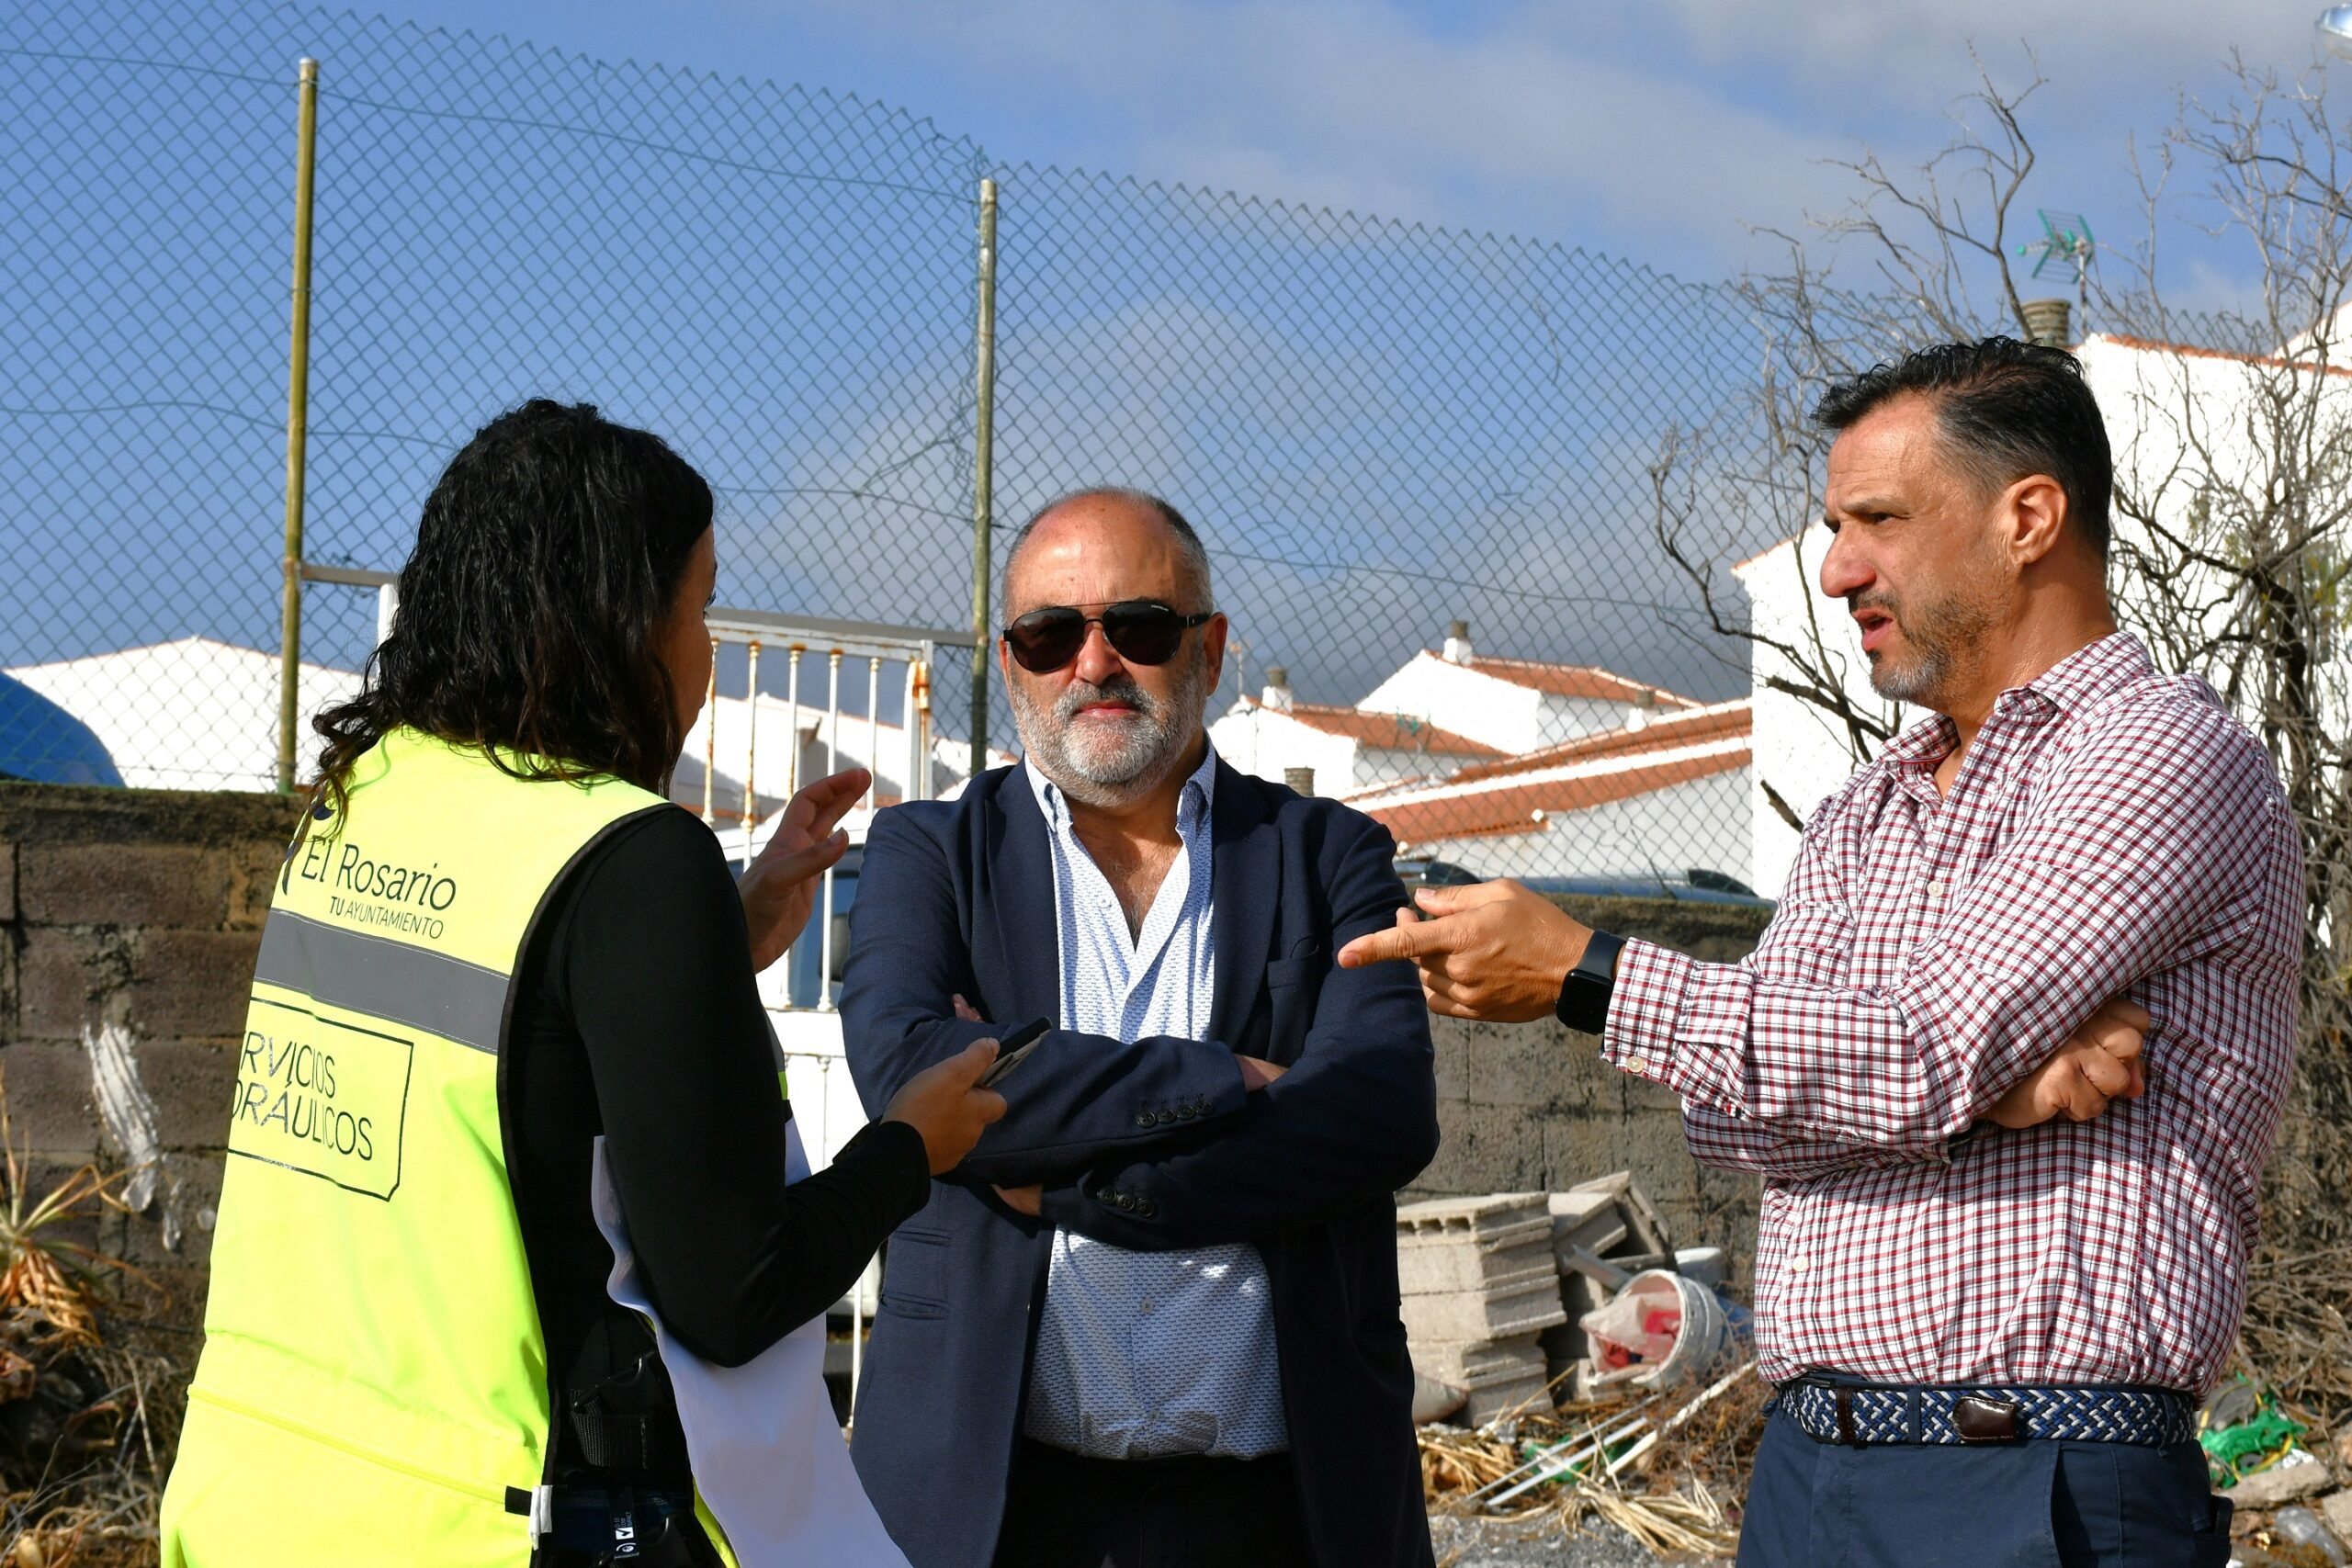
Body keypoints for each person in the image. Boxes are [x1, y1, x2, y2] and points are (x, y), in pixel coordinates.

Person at [1338, 340, 2301, 1567]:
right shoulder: (1866, 810)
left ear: (2028, 519)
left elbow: (1917, 1047)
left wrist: (1590, 972)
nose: (1839, 568)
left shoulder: (2158, 756)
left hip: (2034, 1478)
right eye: (1836, 527)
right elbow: (1732, 1121)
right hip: (1807, 1476)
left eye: (1879, 520)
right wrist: (1989, 1087)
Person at [161, 400, 1005, 1568]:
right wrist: (910, 1146)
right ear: (622, 623)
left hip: (259, 1495)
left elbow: (509, 1049)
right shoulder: (635, 859)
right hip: (482, 1525)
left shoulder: (367, 793)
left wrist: (719, 941)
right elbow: (734, 1292)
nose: (705, 651)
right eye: (700, 609)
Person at [840, 489, 1441, 1568]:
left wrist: (1077, 1184)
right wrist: (1224, 1081)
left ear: (1207, 649)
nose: (1094, 662)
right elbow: (906, 1072)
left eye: (1140, 626)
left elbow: (1379, 1111)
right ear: (1010, 662)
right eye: (1049, 633)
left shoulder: (1330, 856)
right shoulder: (927, 853)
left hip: (1283, 1515)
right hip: (986, 1511)